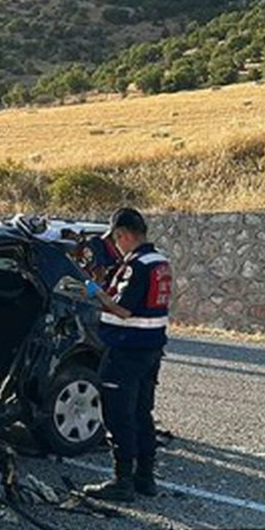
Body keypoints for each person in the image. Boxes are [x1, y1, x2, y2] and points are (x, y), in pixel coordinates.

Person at [83, 207, 173, 502]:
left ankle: (122, 482)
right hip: (151, 349)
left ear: (123, 235)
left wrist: (93, 291)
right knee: (141, 413)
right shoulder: (160, 261)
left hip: (126, 349)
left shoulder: (137, 266)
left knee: (119, 414)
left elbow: (123, 309)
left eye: (116, 239)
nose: (116, 246)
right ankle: (144, 478)